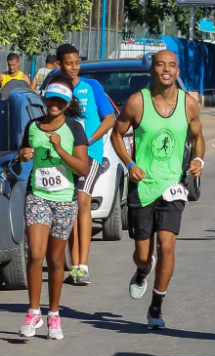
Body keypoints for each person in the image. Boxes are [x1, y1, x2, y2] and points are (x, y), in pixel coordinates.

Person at [111, 50, 205, 329]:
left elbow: (198, 137)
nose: (166, 69)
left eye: (172, 65)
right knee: (143, 254)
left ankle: (156, 306)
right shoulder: (137, 102)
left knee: (167, 246)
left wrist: (198, 159)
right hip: (142, 186)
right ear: (151, 70)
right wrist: (129, 163)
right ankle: (142, 271)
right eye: (161, 65)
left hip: (173, 187)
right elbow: (117, 134)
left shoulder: (189, 104)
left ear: (178, 71)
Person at [17, 76, 90, 339]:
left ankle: (54, 315)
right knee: (36, 255)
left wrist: (60, 149)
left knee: (56, 259)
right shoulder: (33, 126)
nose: (55, 104)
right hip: (37, 196)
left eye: (60, 100)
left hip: (65, 200)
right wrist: (22, 154)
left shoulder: (74, 129)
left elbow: (83, 168)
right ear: (45, 100)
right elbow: (24, 154)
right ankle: (33, 312)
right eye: (51, 99)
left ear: (67, 103)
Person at [55, 44, 116, 285]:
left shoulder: (92, 87)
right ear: (59, 64)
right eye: (69, 63)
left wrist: (90, 139)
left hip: (90, 153)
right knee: (70, 205)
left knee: (82, 201)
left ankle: (83, 265)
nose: (74, 67)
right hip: (64, 156)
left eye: (77, 62)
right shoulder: (56, 88)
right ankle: (73, 263)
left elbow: (109, 118)